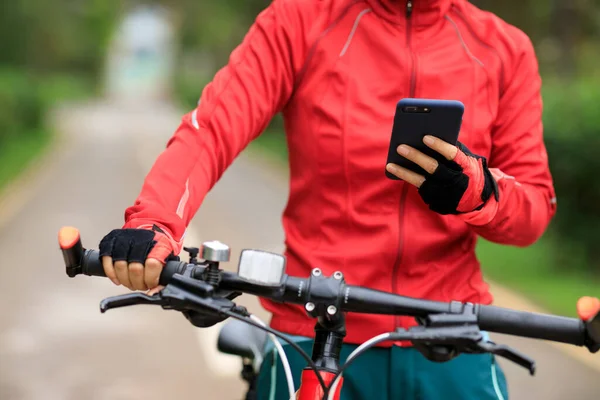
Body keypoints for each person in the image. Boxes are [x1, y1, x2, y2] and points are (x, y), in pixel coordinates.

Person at [98, 0, 557, 398]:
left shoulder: (503, 48)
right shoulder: (299, 21)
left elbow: (533, 208)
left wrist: (477, 191)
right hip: (315, 335)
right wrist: (153, 222)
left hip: (448, 333)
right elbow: (214, 129)